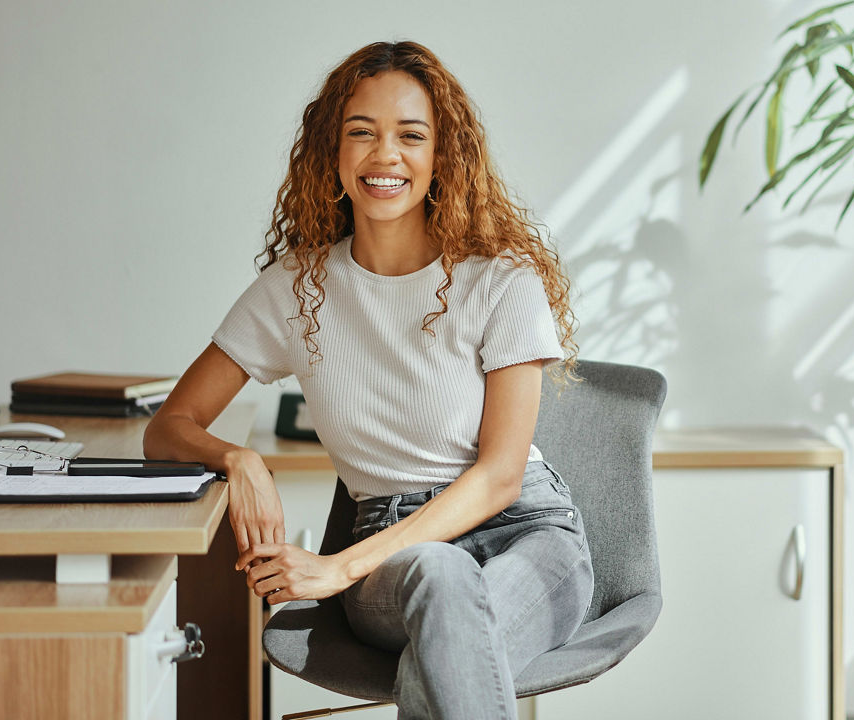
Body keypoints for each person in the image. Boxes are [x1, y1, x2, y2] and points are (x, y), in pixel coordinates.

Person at [143, 41, 591, 720]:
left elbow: (500, 477)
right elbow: (168, 428)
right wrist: (238, 459)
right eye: (362, 133)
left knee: (447, 647)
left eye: (411, 135)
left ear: (442, 157)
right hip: (395, 555)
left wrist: (336, 569)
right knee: (443, 588)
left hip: (529, 535)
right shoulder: (296, 290)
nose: (386, 155)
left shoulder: (501, 282)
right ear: (333, 151)